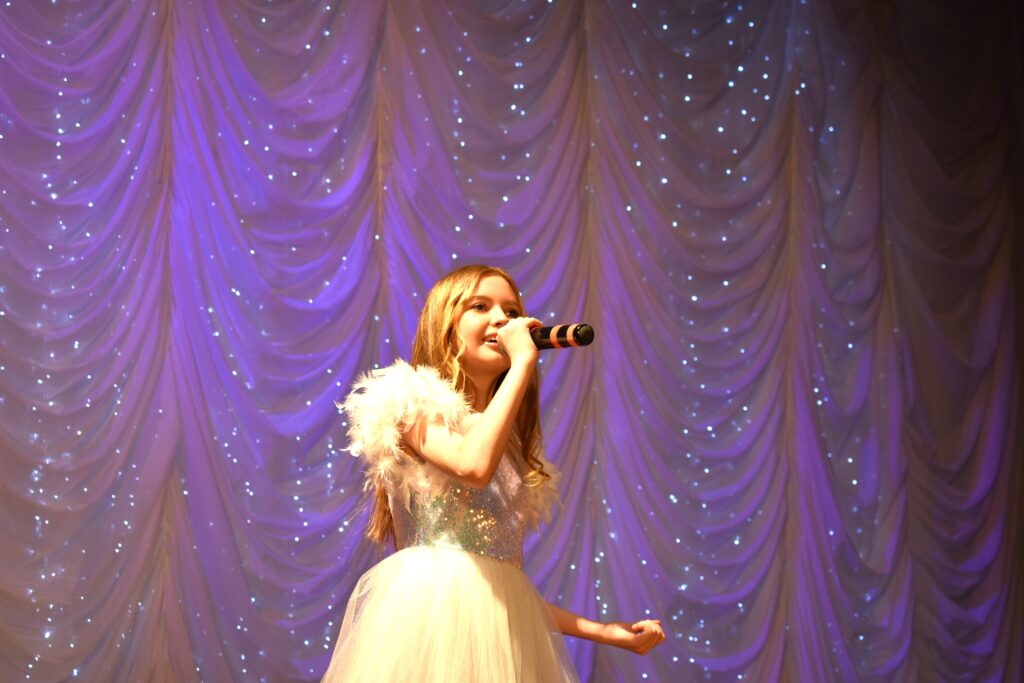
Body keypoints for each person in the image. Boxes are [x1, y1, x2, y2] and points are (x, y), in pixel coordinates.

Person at [322, 264, 665, 682]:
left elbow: (500, 587)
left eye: (512, 310)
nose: (503, 320)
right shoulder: (410, 404)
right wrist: (522, 364)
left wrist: (605, 632)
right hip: (429, 630)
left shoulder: (507, 448)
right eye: (481, 306)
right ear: (445, 325)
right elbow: (471, 466)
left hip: (500, 643)